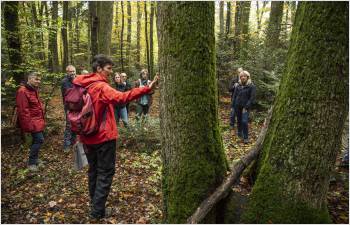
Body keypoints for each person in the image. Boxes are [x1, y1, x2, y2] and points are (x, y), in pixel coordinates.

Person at [73, 54, 158, 219]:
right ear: (99, 68)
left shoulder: (82, 84)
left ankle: (95, 205)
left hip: (87, 137)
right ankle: (97, 211)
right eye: (108, 68)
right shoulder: (100, 87)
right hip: (104, 137)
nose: (111, 72)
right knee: (105, 172)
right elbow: (121, 98)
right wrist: (147, 88)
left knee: (94, 171)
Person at [15, 72, 45, 171]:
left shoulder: (33, 89)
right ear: (30, 79)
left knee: (37, 140)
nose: (38, 81)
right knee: (39, 140)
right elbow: (23, 110)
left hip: (37, 120)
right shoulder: (22, 91)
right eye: (36, 79)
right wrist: (28, 126)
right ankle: (31, 162)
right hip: (32, 122)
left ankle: (35, 159)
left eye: (39, 79)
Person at [232, 70, 256, 144]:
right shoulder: (238, 86)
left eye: (244, 76)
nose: (243, 77)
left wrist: (246, 107)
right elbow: (234, 96)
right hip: (237, 106)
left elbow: (251, 98)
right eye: (241, 76)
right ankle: (239, 133)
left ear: (247, 77)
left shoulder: (251, 86)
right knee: (239, 120)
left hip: (245, 107)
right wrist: (232, 106)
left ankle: (246, 137)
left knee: (244, 121)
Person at [61, 65, 77, 152]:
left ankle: (73, 142)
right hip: (69, 107)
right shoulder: (64, 81)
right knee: (69, 125)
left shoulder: (78, 79)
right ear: (67, 72)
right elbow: (68, 94)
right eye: (70, 72)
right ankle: (66, 145)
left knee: (75, 124)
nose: (73, 73)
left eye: (74, 71)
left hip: (77, 107)